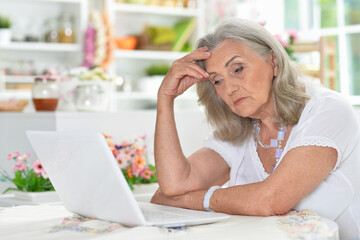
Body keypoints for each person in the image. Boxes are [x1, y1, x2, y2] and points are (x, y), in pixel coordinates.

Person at [151, 18, 360, 240]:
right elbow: (175, 185)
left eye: (237, 69)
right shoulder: (240, 129)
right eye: (217, 81)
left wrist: (191, 200)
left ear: (273, 61)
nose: (230, 88)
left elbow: (271, 200)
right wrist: (165, 98)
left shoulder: (328, 110)